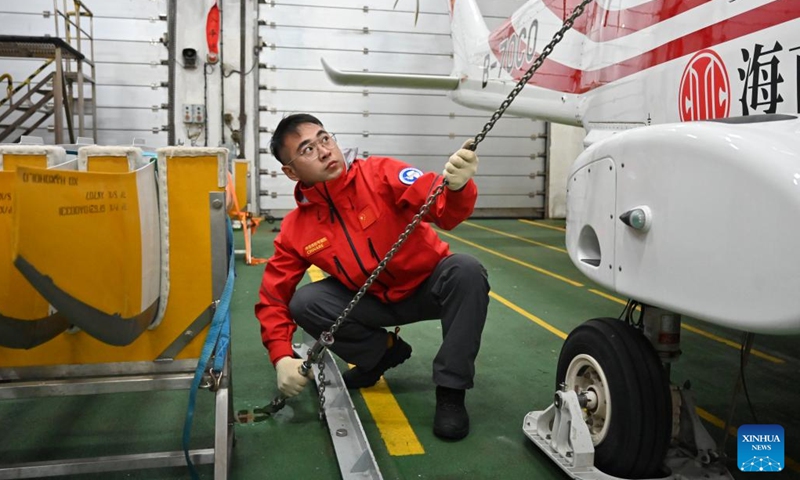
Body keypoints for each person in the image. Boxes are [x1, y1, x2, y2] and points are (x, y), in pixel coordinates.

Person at [254, 113, 490, 440]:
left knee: (466, 271)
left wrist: (458, 186)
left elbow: (443, 210)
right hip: (372, 301)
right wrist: (281, 355)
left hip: (427, 288)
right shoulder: (296, 228)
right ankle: (382, 353)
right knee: (305, 302)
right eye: (307, 149)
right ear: (291, 172)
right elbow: (273, 298)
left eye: (325, 138)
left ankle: (451, 390)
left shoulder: (380, 174)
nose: (324, 151)